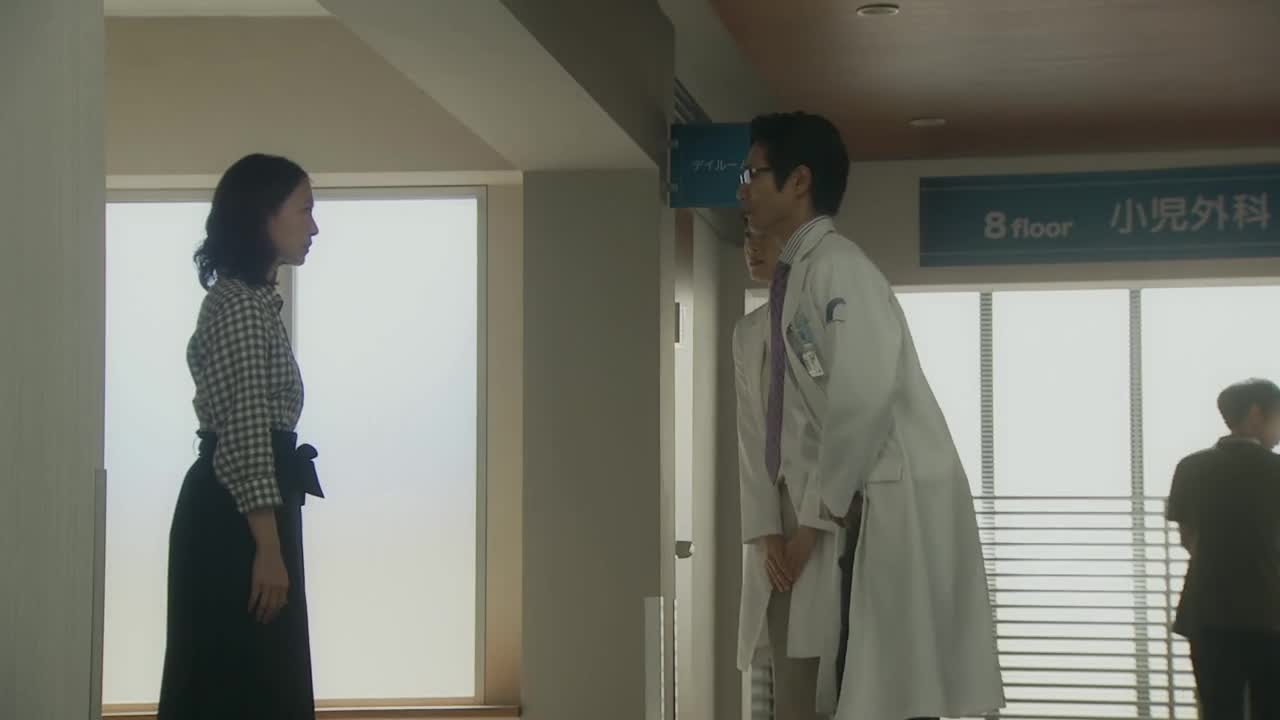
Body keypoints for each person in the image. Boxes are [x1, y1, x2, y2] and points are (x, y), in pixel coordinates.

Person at [737, 112, 1005, 720]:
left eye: (753, 174)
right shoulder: (802, 275)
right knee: (868, 678)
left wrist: (820, 511)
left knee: (888, 680)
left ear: (799, 180)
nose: (743, 190)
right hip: (854, 492)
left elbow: (862, 393)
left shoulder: (839, 268)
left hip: (884, 489)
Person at [158, 153, 324, 720]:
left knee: (251, 676)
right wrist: (268, 550)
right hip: (240, 517)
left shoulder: (249, 302)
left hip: (248, 508)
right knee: (244, 679)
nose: (314, 227)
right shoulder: (241, 308)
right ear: (264, 216)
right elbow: (248, 432)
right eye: (304, 210)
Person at [736, 223, 858, 719]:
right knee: (790, 676)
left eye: (762, 236)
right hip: (776, 517)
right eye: (746, 236)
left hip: (827, 511)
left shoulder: (820, 324)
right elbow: (750, 436)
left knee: (837, 664)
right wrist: (767, 533)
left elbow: (840, 427)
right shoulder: (748, 333)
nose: (751, 246)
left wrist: (809, 529)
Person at [1166, 379, 1280, 720]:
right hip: (1271, 615)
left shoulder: (1190, 467)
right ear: (1256, 414)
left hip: (1207, 614)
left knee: (1218, 709)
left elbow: (1188, 537)